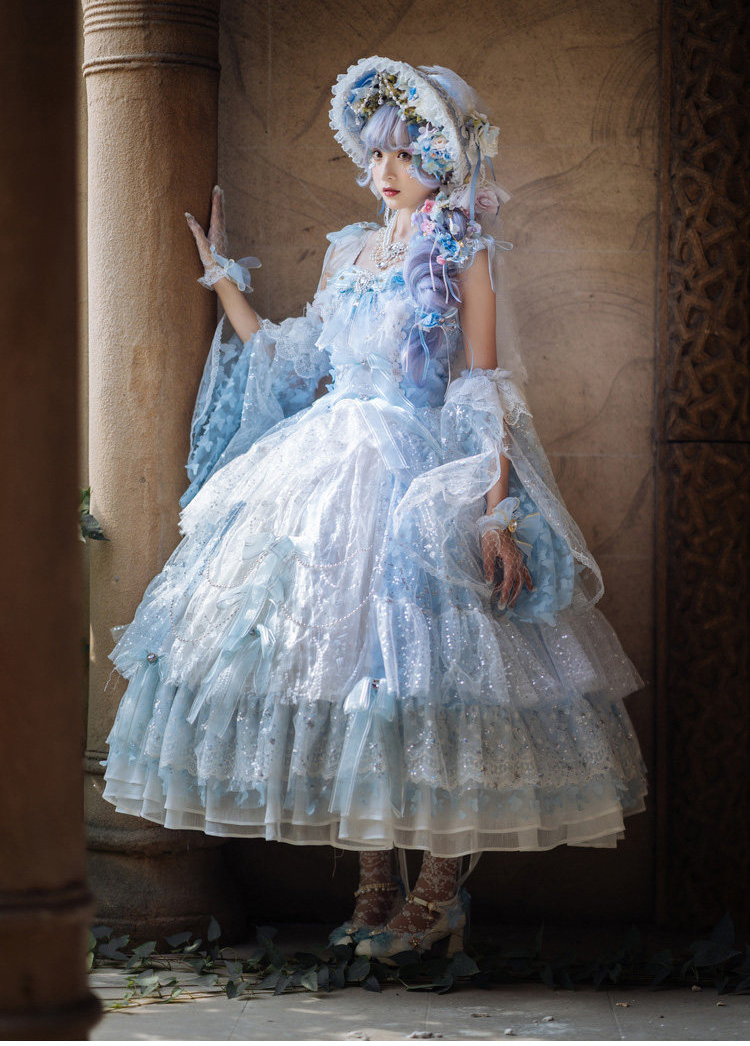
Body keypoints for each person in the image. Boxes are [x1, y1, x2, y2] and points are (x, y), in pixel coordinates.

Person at [101, 57, 648, 963]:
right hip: (326, 475)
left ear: (444, 160)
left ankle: (438, 888)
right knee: (343, 668)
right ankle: (372, 885)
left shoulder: (466, 251)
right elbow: (294, 361)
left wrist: (496, 512)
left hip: (420, 475)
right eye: (377, 152)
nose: (385, 169)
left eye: (407, 152)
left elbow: (483, 388)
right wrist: (224, 280)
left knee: (432, 675)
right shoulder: (348, 248)